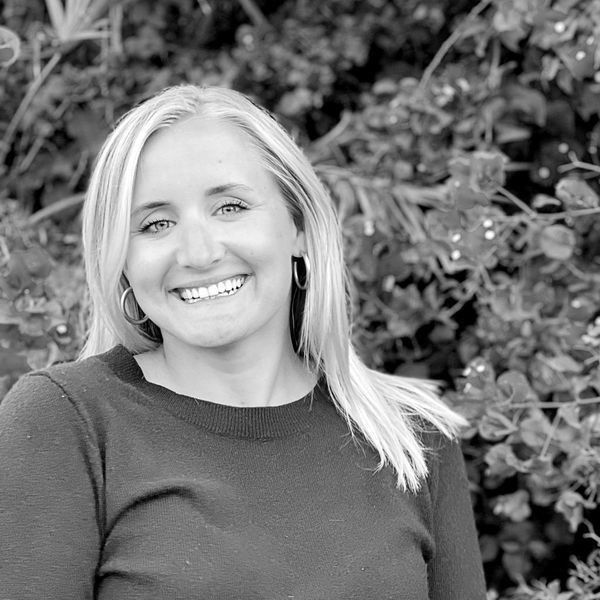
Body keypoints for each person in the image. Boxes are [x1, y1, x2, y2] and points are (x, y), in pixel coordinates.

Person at [0, 85, 486, 599]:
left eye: (230, 207)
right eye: (155, 223)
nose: (199, 251)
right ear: (121, 259)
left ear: (297, 226)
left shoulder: (413, 440)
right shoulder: (66, 423)